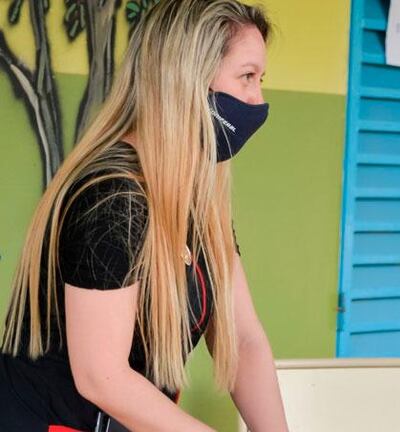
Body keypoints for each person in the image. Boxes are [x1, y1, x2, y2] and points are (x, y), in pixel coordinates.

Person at [0, 1, 289, 431]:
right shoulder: (113, 196)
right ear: (186, 77)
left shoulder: (194, 198)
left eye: (260, 80)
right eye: (246, 77)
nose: (257, 100)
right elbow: (102, 377)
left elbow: (245, 340)